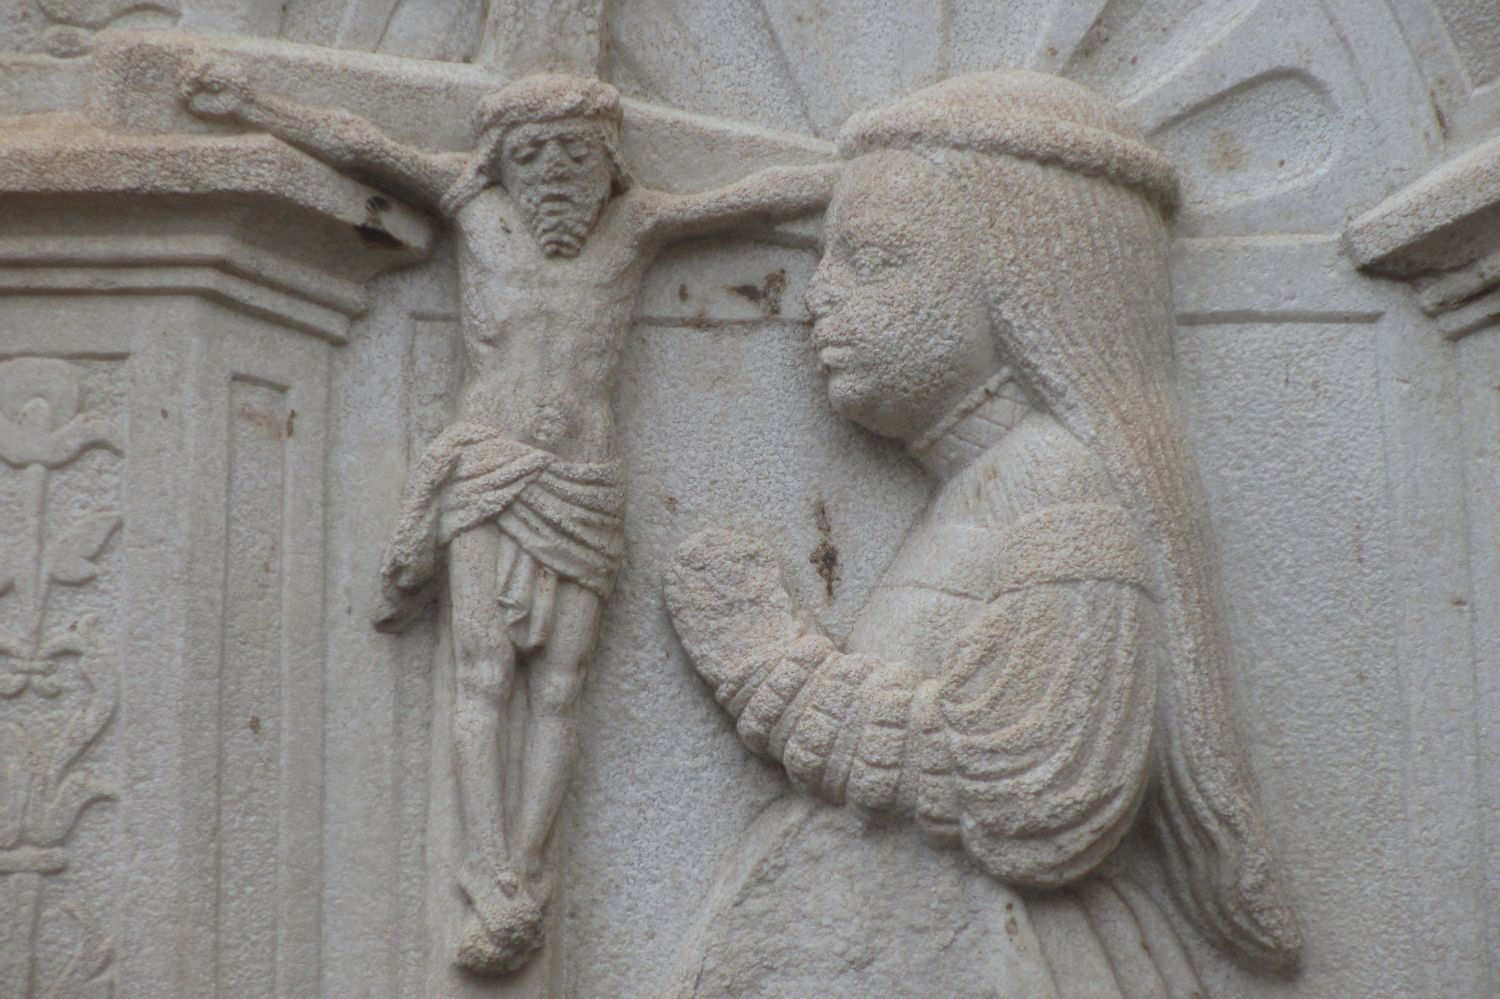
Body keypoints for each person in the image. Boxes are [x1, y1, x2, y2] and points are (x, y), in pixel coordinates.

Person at [182, 63, 836, 974]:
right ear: (500, 160)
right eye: (533, 153)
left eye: (576, 152)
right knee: (483, 669)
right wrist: (252, 103)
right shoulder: (472, 210)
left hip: (584, 478)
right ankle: (483, 870)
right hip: (489, 468)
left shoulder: (635, 226)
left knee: (563, 681)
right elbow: (365, 143)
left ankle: (525, 875)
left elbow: (744, 202)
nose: (557, 172)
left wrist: (846, 173)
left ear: (609, 160)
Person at [662, 71, 1302, 997]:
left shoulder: (1057, 490)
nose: (820, 298)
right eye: (825, 261)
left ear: (1025, 280)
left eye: (876, 260)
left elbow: (1041, 780)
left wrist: (768, 662)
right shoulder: (982, 487)